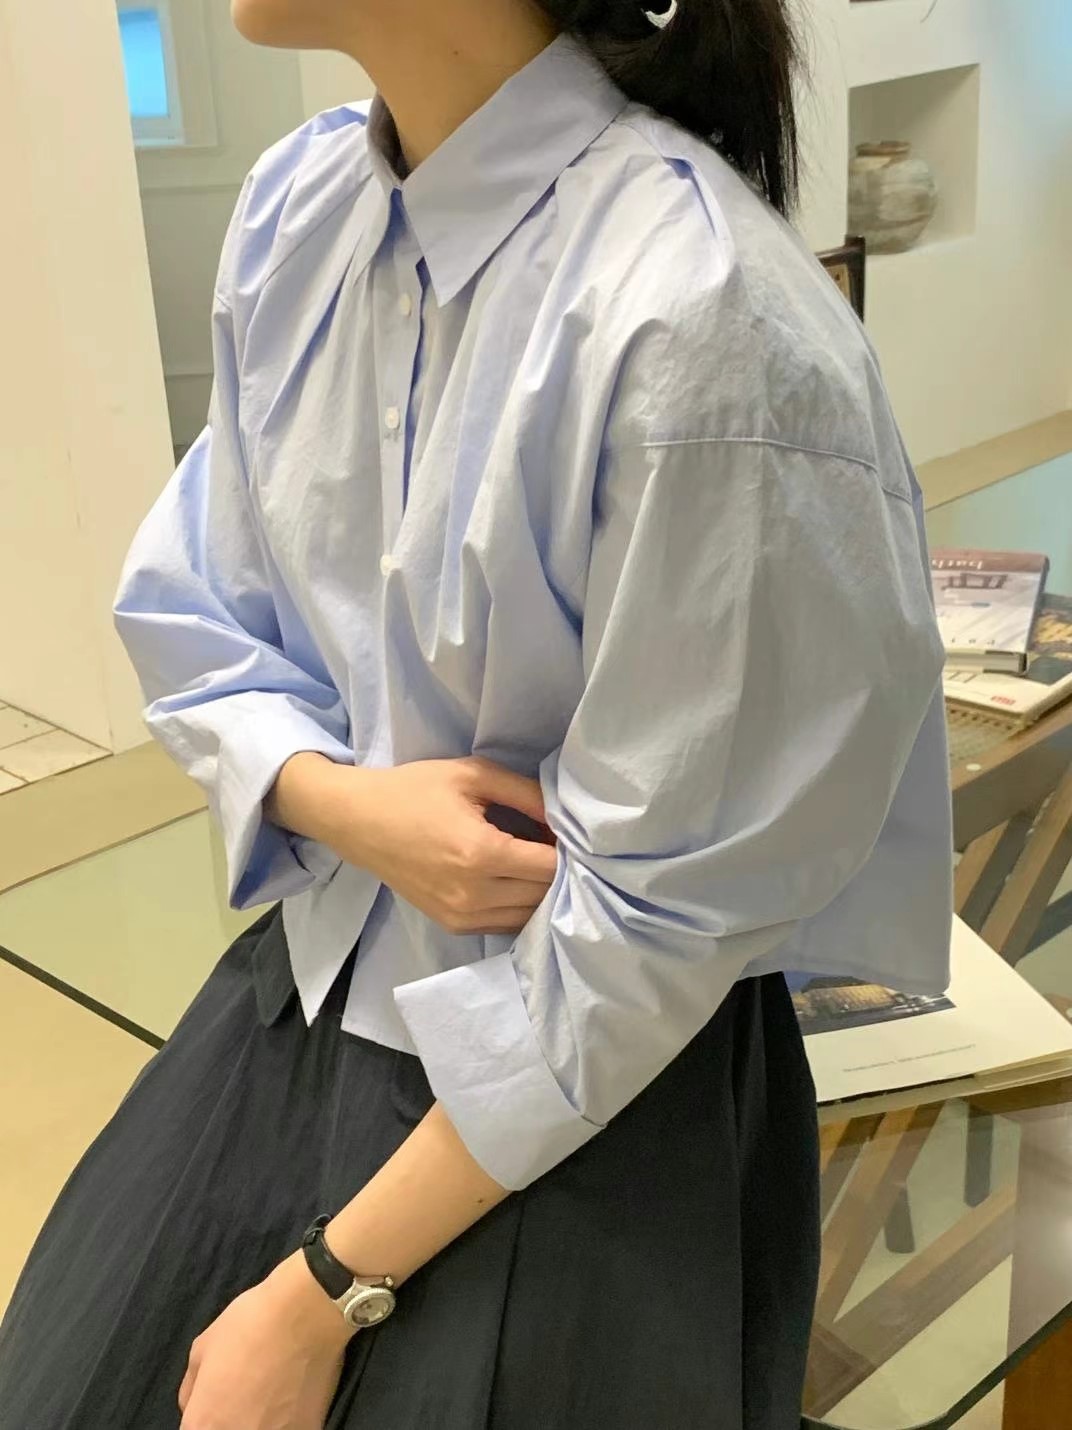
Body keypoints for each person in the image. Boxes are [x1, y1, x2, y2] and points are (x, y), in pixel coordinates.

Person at [0, 0, 954, 1425]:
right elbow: (194, 609)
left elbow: (656, 928)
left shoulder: (708, 318)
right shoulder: (298, 208)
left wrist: (321, 1292)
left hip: (593, 1098)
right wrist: (346, 802)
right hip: (316, 989)